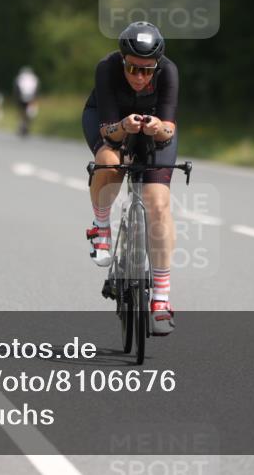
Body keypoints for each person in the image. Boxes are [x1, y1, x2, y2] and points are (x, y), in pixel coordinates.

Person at [82, 21, 179, 336]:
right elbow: (108, 131)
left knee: (158, 204)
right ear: (122, 60)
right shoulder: (107, 68)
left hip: (153, 131)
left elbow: (169, 127)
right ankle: (101, 225)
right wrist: (124, 126)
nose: (139, 77)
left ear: (157, 66)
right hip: (109, 121)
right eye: (133, 68)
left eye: (147, 71)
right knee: (109, 165)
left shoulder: (169, 72)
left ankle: (161, 299)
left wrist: (155, 128)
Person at [14, 65, 39, 136]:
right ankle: (27, 126)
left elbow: (16, 89)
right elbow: (36, 90)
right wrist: (35, 98)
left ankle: (21, 125)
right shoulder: (34, 78)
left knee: (21, 112)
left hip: (21, 97)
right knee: (29, 113)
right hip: (31, 97)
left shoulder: (19, 78)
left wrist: (16, 98)